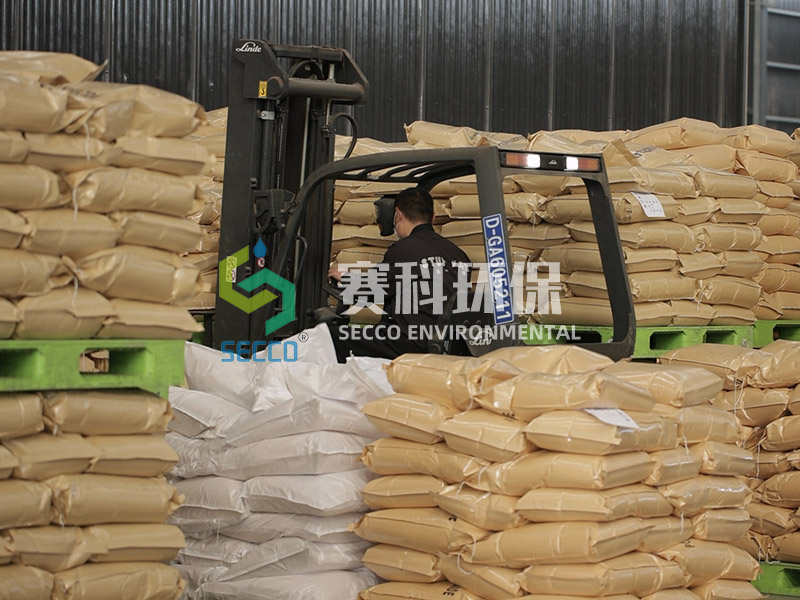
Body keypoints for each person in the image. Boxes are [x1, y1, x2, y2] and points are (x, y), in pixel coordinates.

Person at [325, 187, 469, 363]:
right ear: (432, 218)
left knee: (331, 336)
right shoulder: (458, 255)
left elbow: (370, 290)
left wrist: (345, 278)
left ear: (398, 215)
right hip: (446, 344)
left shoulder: (403, 250)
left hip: (407, 343)